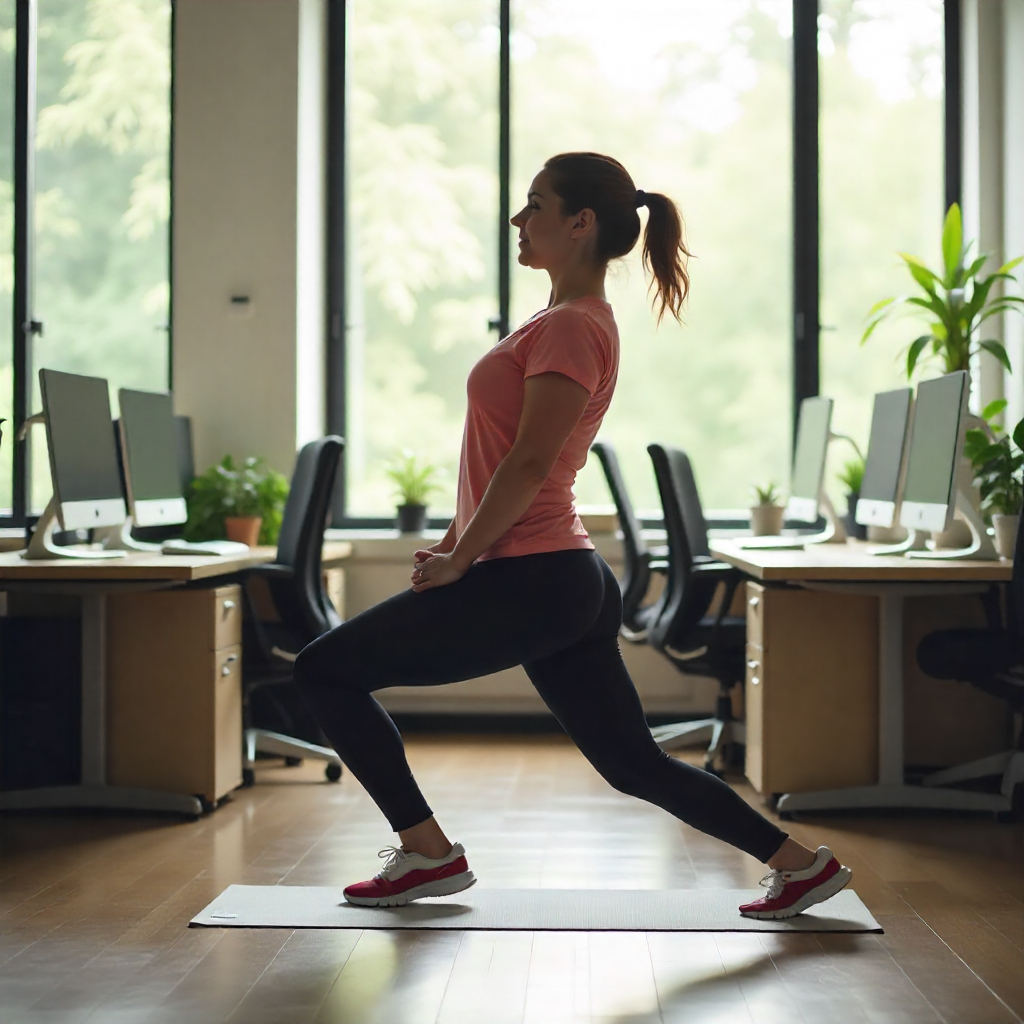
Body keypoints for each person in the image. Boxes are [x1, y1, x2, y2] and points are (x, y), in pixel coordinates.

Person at [294, 152, 852, 920]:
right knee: (632, 762)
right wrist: (457, 538)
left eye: (536, 205)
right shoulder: (561, 323)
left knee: (325, 671)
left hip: (535, 575)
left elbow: (530, 463)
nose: (519, 221)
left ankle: (427, 852)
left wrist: (464, 555)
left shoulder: (569, 329)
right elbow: (500, 460)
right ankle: (801, 867)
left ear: (581, 223)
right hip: (556, 577)